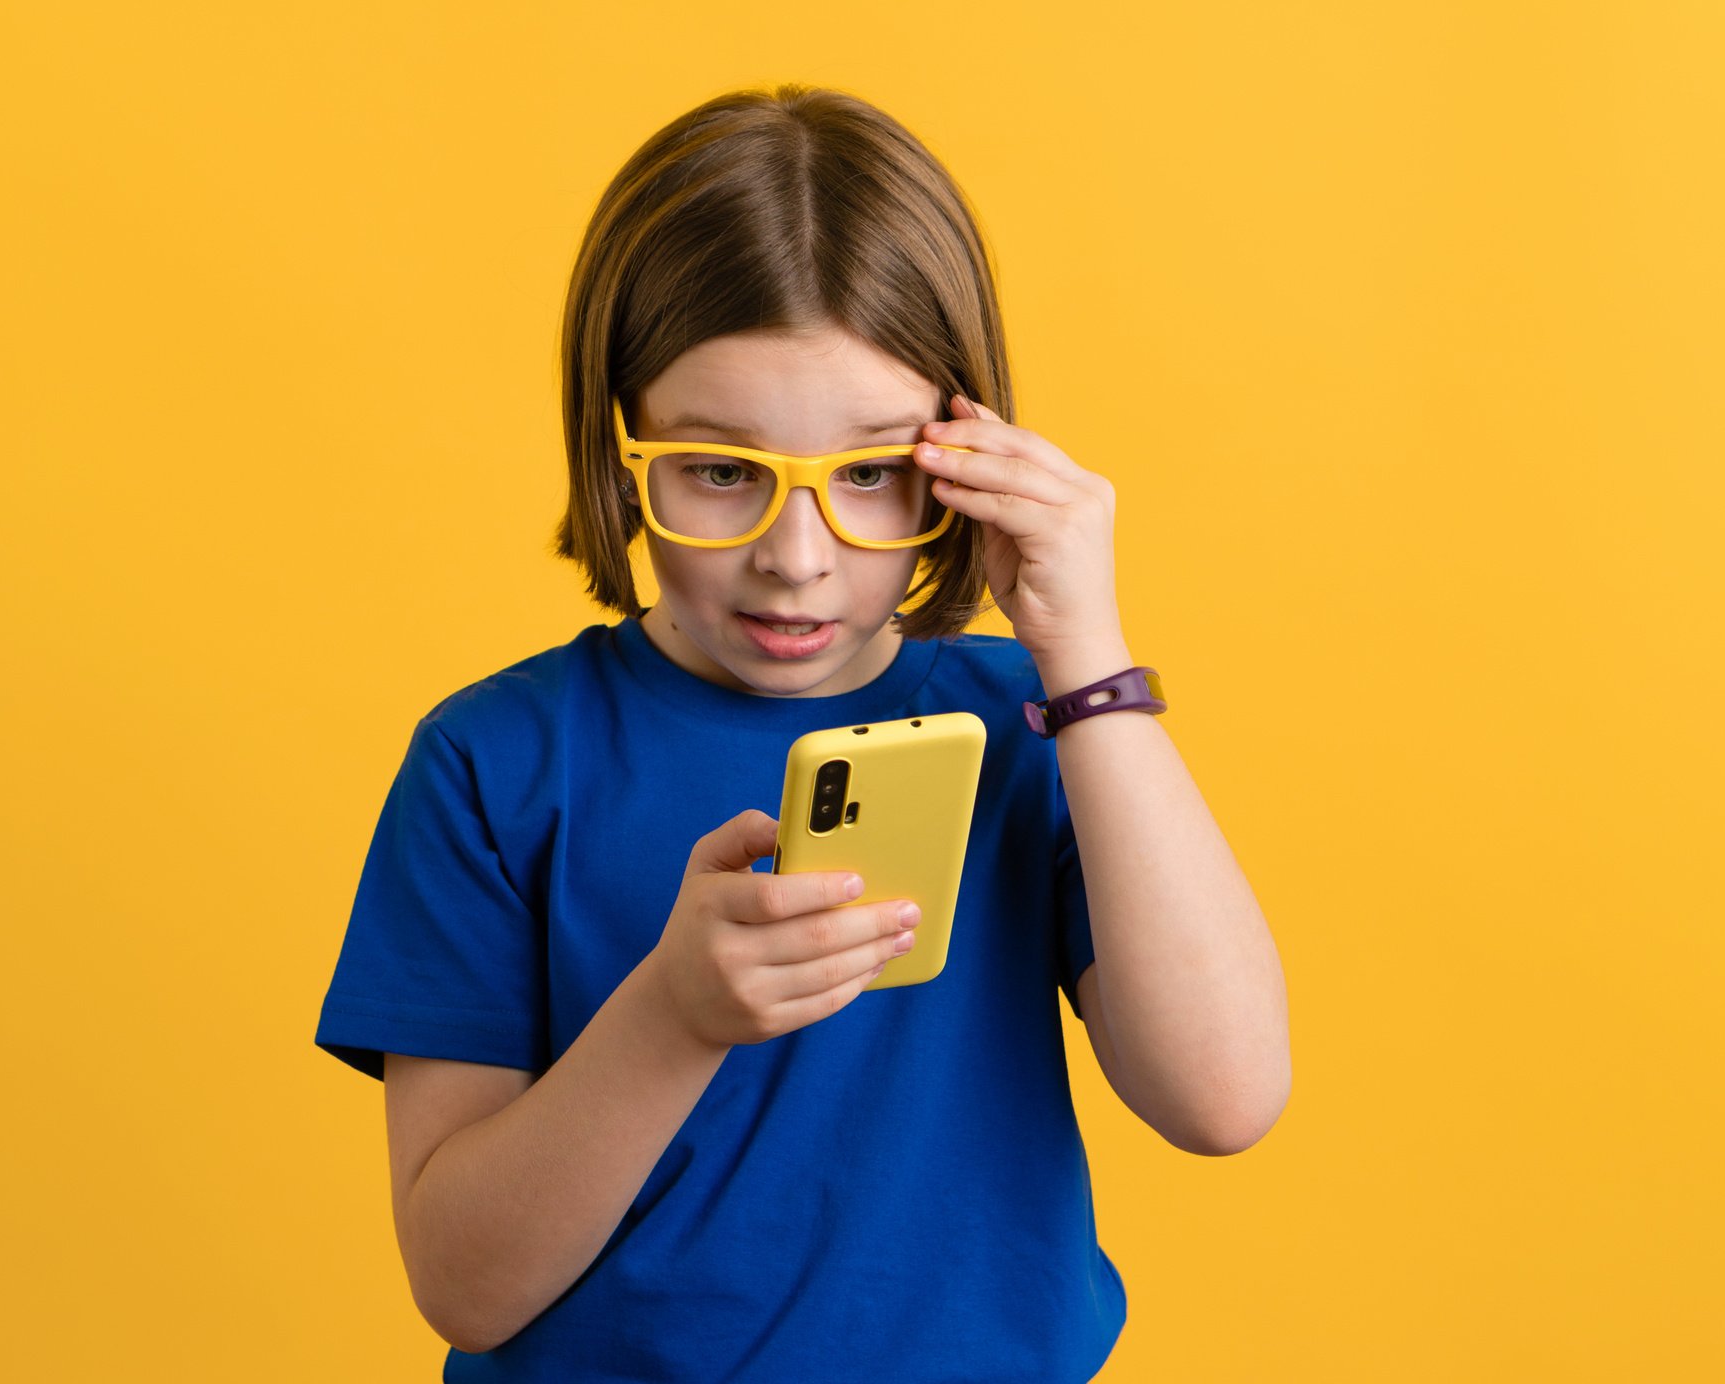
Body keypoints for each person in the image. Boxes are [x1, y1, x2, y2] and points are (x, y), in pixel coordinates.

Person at [315, 83, 1290, 1382]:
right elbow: (465, 1287)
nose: (795, 559)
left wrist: (1089, 658)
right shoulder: (495, 765)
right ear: (621, 458)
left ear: (963, 459)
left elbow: (1223, 1098)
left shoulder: (1032, 727)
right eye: (722, 471)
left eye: (871, 477)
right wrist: (673, 1016)